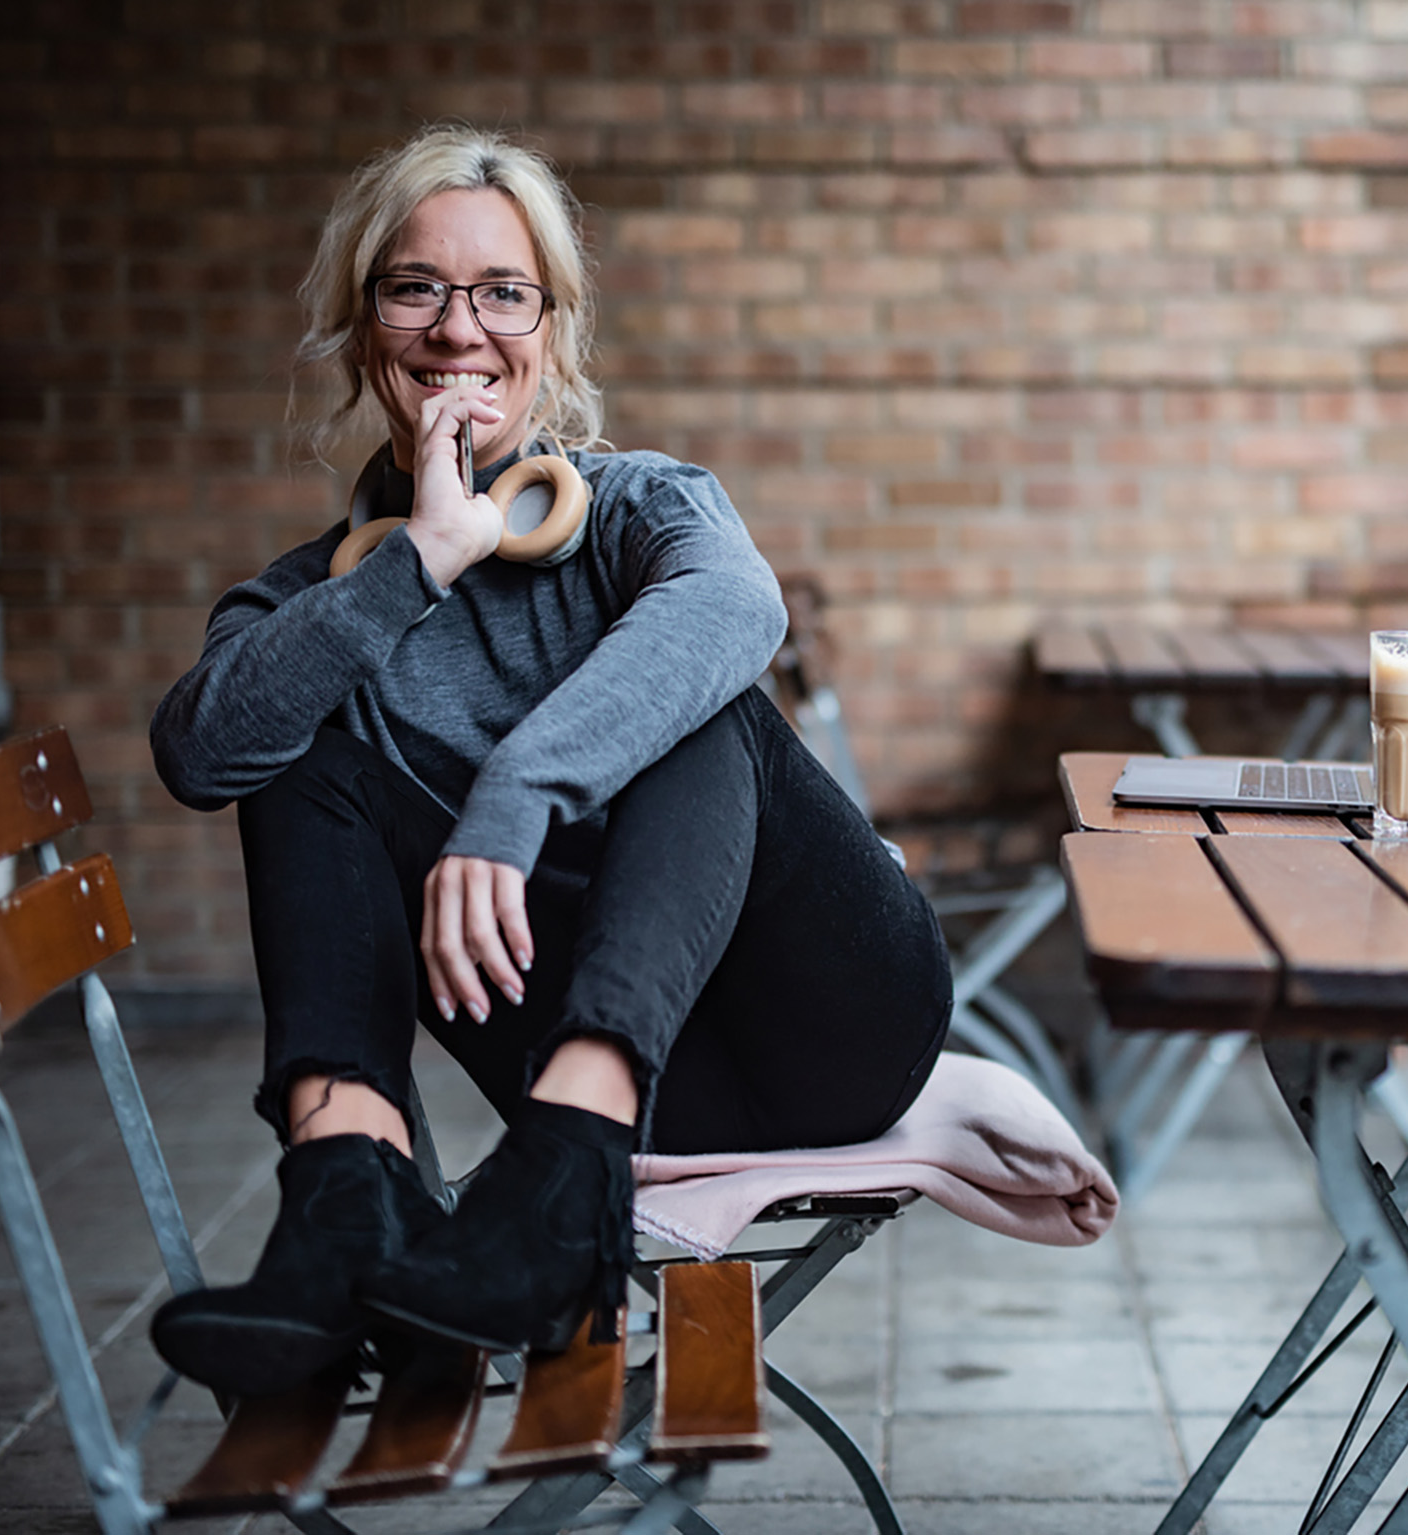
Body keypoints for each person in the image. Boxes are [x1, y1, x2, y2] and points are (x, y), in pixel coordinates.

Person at [146, 126, 952, 1396]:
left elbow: (740, 614)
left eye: (503, 293)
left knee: (699, 695)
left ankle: (564, 1174)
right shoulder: (311, 597)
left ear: (553, 333)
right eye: (416, 287)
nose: (458, 329)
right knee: (291, 734)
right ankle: (343, 1207)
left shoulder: (645, 506)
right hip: (623, 1080)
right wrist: (415, 562)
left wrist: (510, 802)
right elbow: (201, 750)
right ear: (366, 333)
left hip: (830, 1020)